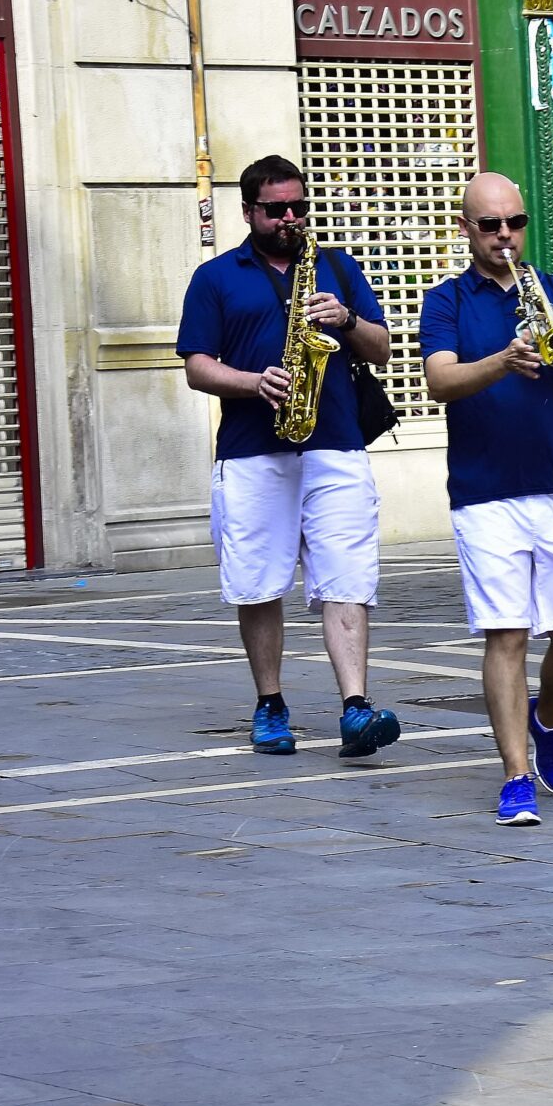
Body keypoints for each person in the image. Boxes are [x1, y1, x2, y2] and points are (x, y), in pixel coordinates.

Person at [175, 155, 401, 760]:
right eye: (276, 210)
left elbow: (380, 348)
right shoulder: (216, 276)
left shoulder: (335, 266)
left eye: (299, 206)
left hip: (334, 446)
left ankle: (355, 706)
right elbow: (197, 365)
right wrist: (254, 383)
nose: (290, 218)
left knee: (347, 578)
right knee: (257, 582)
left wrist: (347, 317)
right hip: (254, 451)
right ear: (248, 211)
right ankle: (270, 703)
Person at [421, 174, 553, 826]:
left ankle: (548, 716)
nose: (505, 235)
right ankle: (514, 774)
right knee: (506, 633)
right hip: (483, 491)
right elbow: (440, 379)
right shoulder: (446, 299)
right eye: (490, 225)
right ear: (466, 228)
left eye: (515, 222)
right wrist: (502, 361)